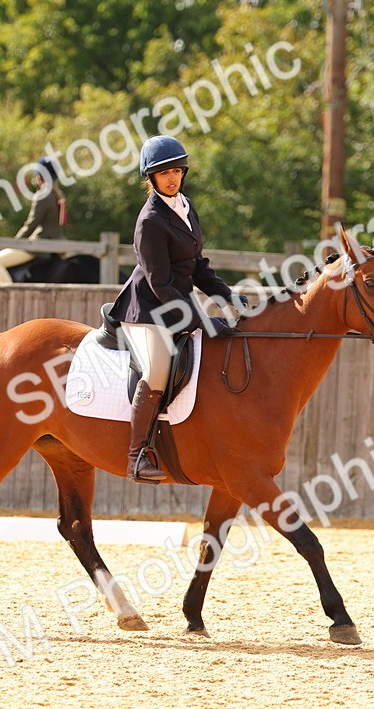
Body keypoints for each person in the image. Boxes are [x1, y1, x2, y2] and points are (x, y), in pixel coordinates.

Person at [109, 135, 241, 483]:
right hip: (148, 310)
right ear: (150, 178)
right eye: (163, 173)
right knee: (157, 370)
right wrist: (201, 321)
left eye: (176, 171)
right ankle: (136, 455)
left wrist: (227, 294)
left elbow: (197, 266)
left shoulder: (185, 206)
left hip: (175, 304)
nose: (171, 178)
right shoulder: (150, 220)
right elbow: (161, 284)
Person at [0, 157, 68, 284]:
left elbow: (31, 224)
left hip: (40, 245)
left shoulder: (43, 195)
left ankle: (11, 294)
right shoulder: (57, 194)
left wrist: (16, 242)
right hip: (57, 243)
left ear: (39, 176)